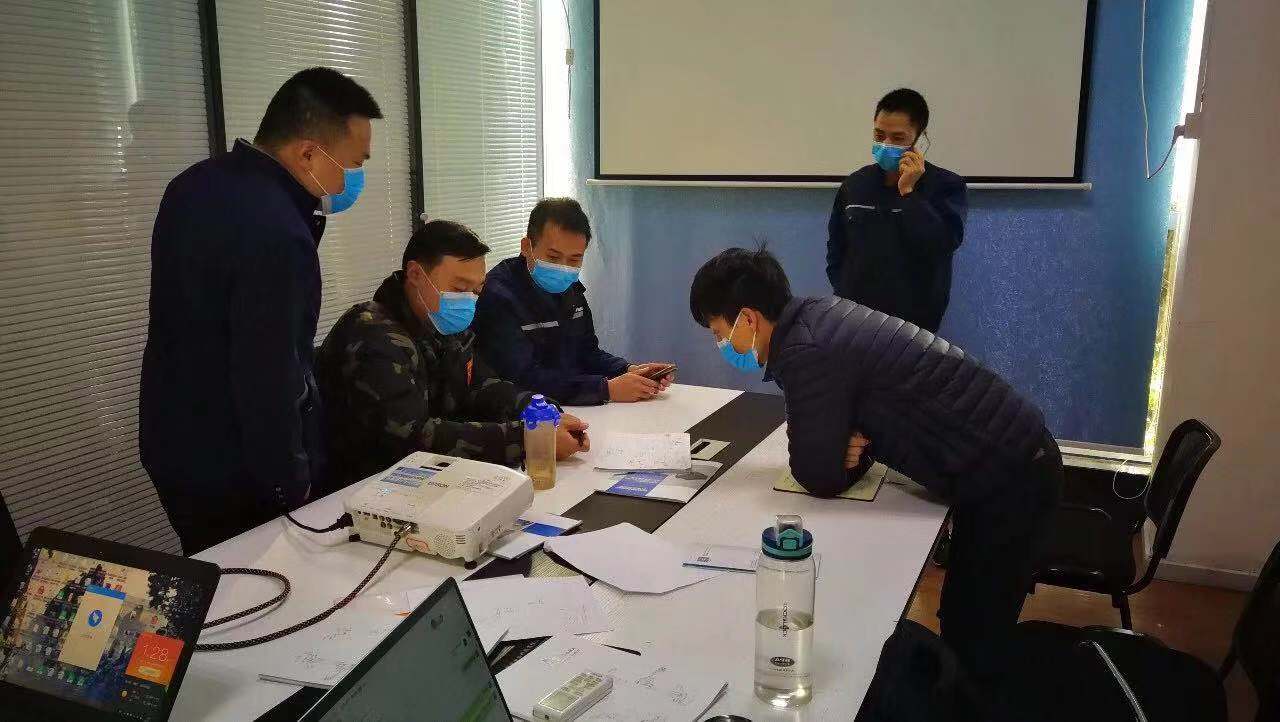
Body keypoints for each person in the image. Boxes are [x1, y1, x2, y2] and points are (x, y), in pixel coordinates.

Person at [689, 247, 1062, 690]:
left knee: (974, 634)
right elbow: (836, 438)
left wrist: (849, 449)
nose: (721, 345)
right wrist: (847, 443)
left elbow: (816, 472)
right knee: (962, 616)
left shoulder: (804, 349)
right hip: (1006, 458)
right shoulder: (815, 316)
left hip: (1011, 475)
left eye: (719, 333)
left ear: (747, 319)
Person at [140, 67, 382, 555]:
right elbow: (269, 373)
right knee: (264, 582)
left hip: (175, 443)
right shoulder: (278, 232)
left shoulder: (192, 185)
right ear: (308, 153)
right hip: (239, 466)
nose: (354, 179)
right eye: (354, 164)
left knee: (215, 568)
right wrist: (291, 486)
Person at [315, 220, 591, 491]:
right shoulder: (372, 336)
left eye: (476, 290)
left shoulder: (442, 324)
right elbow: (414, 438)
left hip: (431, 482)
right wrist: (529, 438)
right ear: (415, 274)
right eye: (459, 289)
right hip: (361, 490)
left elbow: (481, 386)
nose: (468, 300)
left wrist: (538, 410)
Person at [474, 198, 675, 405]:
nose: (563, 267)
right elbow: (520, 377)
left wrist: (627, 370)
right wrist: (605, 389)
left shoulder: (570, 288)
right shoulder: (499, 295)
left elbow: (587, 353)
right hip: (523, 411)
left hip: (573, 405)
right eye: (553, 257)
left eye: (574, 259)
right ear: (527, 247)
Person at [827, 88, 967, 333]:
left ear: (919, 139)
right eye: (879, 135)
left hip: (915, 327)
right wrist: (843, 290)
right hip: (856, 322)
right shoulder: (855, 184)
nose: (885, 144)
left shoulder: (946, 186)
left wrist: (908, 193)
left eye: (898, 138)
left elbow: (942, 244)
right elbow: (837, 248)